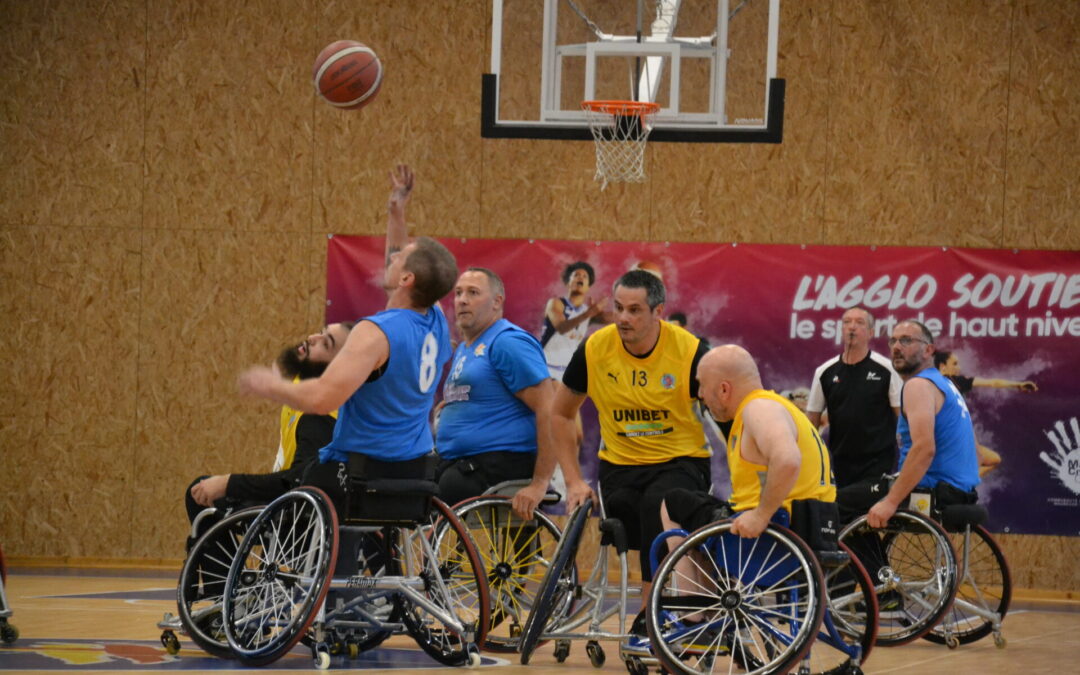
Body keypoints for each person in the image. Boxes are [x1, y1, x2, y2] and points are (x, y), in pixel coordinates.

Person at [238, 164, 459, 513]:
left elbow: (324, 399)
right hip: (414, 470)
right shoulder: (437, 323)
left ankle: (330, 567)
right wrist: (396, 211)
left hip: (357, 470)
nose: (393, 255)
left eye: (400, 257)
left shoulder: (374, 333)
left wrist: (269, 385)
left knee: (289, 484)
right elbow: (409, 264)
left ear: (406, 280)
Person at [547, 268, 711, 636]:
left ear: (658, 312)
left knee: (659, 505)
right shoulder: (595, 347)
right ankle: (661, 605)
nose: (623, 318)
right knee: (625, 523)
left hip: (680, 460)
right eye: (619, 307)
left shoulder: (689, 350)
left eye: (635, 310)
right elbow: (559, 414)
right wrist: (573, 480)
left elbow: (731, 414)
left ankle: (650, 612)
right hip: (620, 464)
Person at [186, 322, 354, 523]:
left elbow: (298, 481)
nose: (311, 338)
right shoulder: (302, 391)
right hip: (292, 502)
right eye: (320, 333)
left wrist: (228, 483)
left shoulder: (318, 417)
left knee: (200, 492)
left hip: (299, 515)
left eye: (325, 344)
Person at [661, 345, 837, 539]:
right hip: (816, 526)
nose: (700, 394)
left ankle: (682, 571)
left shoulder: (758, 408)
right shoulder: (782, 408)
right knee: (699, 502)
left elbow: (788, 460)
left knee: (673, 503)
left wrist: (761, 515)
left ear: (724, 389)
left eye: (702, 385)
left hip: (775, 532)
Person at [435, 266, 556, 514]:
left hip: (501, 462)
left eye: (473, 292)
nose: (462, 300)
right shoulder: (468, 346)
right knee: (406, 481)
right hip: (462, 460)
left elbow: (550, 409)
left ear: (496, 301)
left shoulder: (507, 342)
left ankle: (434, 553)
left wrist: (539, 484)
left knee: (442, 488)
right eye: (458, 293)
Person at [866, 321, 981, 529]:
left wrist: (890, 502)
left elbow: (924, 449)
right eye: (893, 341)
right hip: (963, 493)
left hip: (934, 492)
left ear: (929, 350)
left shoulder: (918, 385)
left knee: (837, 504)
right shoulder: (947, 385)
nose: (897, 347)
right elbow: (977, 452)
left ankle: (872, 562)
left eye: (906, 340)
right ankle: (874, 560)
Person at [806, 307, 901, 520]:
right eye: (847, 322)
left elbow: (902, 418)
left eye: (859, 322)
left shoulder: (886, 369)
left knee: (859, 517)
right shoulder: (825, 371)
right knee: (844, 524)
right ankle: (867, 555)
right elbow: (810, 423)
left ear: (870, 332)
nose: (852, 327)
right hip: (839, 462)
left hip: (876, 465)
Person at [934, 350, 1038, 476]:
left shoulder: (959, 382)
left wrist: (1018, 384)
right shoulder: (930, 385)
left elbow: (993, 382)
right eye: (954, 364)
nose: (959, 368)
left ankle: (961, 484)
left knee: (993, 460)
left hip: (956, 440)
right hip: (942, 442)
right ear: (942, 367)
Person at [540, 261, 607, 379]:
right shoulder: (556, 303)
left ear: (588, 286)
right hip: (545, 367)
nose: (580, 277)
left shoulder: (587, 311)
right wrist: (589, 313)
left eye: (585, 276)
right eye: (576, 275)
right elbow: (561, 327)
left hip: (566, 371)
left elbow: (614, 318)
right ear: (568, 282)